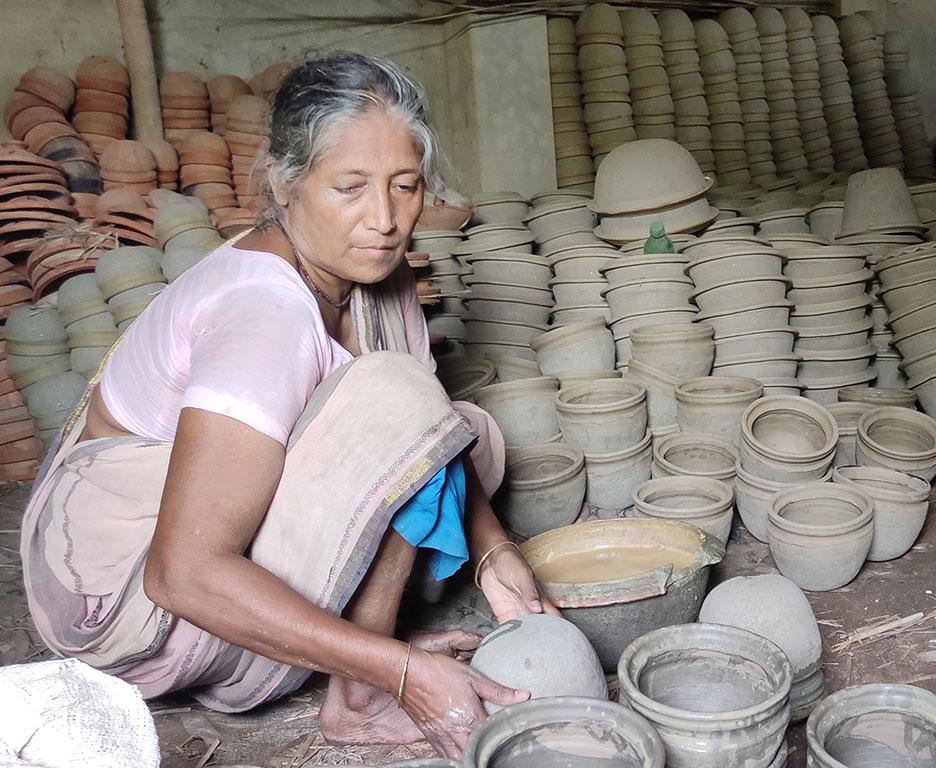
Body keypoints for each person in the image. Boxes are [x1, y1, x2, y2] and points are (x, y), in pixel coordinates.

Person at [20, 52, 551, 758]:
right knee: (398, 398)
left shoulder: (377, 284)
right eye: (350, 187)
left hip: (190, 573)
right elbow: (182, 574)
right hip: (130, 613)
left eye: (405, 185)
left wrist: (496, 555)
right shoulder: (264, 311)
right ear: (284, 180)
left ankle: (357, 652)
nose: (386, 219)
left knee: (467, 433)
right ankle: (359, 695)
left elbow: (431, 443)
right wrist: (400, 671)